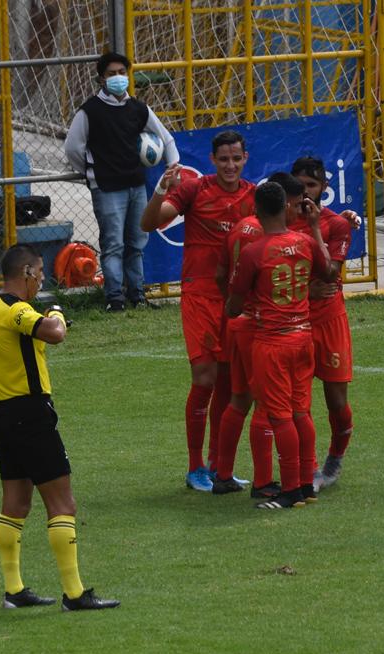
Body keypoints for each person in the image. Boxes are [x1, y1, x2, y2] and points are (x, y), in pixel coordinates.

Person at [0, 244, 119, 611]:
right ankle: (74, 593)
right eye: (39, 272)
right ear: (25, 272)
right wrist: (55, 311)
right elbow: (54, 333)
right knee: (62, 503)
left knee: (15, 504)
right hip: (32, 416)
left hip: (2, 416)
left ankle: (14, 589)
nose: (42, 278)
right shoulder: (17, 310)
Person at [140, 130, 256, 492]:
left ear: (245, 158)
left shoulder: (253, 197)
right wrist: (160, 188)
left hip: (234, 300)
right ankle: (195, 467)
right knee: (204, 378)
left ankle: (220, 467)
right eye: (224, 159)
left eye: (236, 158)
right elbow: (149, 223)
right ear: (212, 160)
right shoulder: (195, 189)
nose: (230, 165)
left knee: (228, 382)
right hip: (199, 296)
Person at [226, 181, 334, 509]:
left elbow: (233, 306)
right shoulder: (303, 241)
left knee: (280, 416)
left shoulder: (254, 251)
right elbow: (329, 271)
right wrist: (315, 228)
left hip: (272, 342)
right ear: (286, 208)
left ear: (256, 211)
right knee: (302, 411)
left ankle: (289, 491)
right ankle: (306, 485)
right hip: (304, 337)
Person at [211, 173, 313, 498]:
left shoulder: (242, 226)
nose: (297, 211)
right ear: (282, 204)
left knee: (240, 399)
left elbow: (222, 273)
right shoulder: (271, 239)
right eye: (295, 205)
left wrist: (234, 307)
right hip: (262, 328)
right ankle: (265, 481)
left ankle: (223, 474)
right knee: (269, 407)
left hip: (240, 322)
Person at [65, 51, 179, 312]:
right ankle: (114, 298)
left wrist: (174, 166)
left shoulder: (138, 109)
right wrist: (91, 171)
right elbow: (73, 147)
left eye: (121, 73)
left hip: (136, 186)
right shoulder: (90, 111)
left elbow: (166, 138)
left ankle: (137, 295)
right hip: (106, 188)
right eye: (111, 74)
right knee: (113, 244)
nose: (117, 78)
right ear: (101, 79)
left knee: (137, 243)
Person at [289, 157, 355, 490]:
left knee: (337, 403)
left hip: (329, 320)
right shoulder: (280, 223)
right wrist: (304, 288)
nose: (305, 193)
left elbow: (331, 274)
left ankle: (335, 458)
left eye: (311, 186)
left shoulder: (336, 225)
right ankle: (310, 468)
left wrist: (314, 228)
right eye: (299, 185)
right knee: (297, 402)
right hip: (295, 321)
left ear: (323, 188)